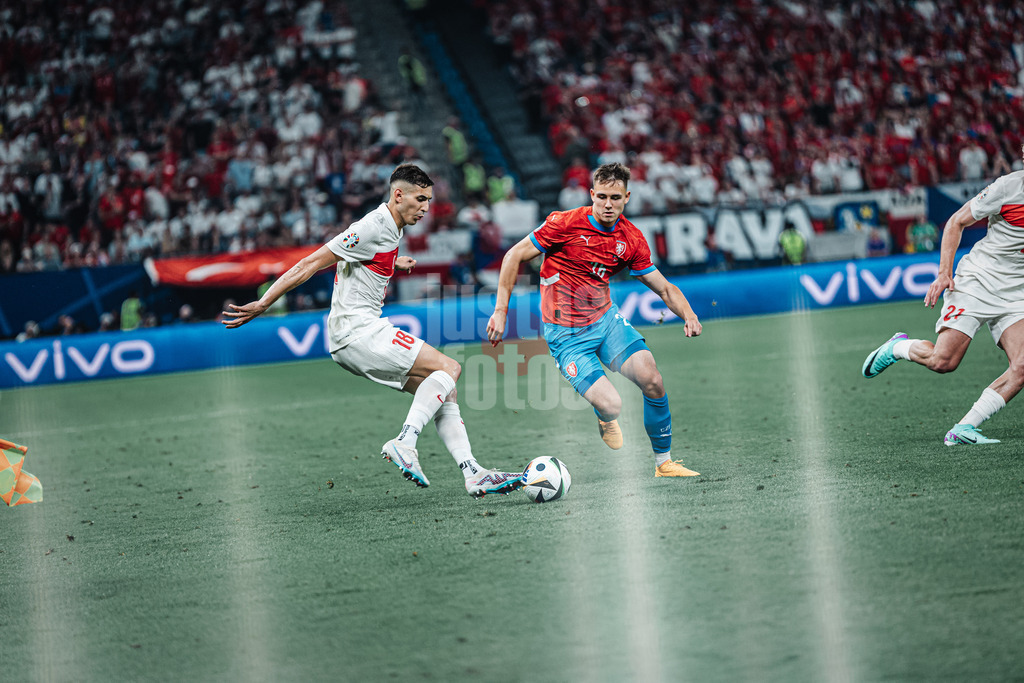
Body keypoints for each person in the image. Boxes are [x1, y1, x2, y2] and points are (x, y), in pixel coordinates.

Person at [222, 164, 523, 497]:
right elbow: (311, 263)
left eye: (429, 200)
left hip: (352, 339)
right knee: (450, 368)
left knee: (442, 391)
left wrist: (397, 262)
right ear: (398, 195)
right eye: (420, 199)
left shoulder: (391, 229)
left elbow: (367, 259)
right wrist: (264, 302)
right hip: (358, 331)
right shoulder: (371, 225)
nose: (426, 208)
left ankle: (472, 472)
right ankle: (405, 442)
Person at [486, 162, 703, 477]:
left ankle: (664, 463)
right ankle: (605, 416)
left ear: (626, 197)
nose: (608, 204)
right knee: (612, 404)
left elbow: (664, 287)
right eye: (601, 196)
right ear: (591, 194)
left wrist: (689, 314)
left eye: (615, 197)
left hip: (606, 323)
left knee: (652, 380)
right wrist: (501, 311)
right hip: (566, 337)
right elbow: (513, 256)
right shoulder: (564, 224)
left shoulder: (631, 239)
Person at [862, 147, 1024, 445]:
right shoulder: (1007, 187)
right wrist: (943, 272)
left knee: (1023, 365)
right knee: (943, 362)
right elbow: (955, 222)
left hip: (1017, 293)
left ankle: (964, 428)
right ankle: (898, 348)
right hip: (978, 281)